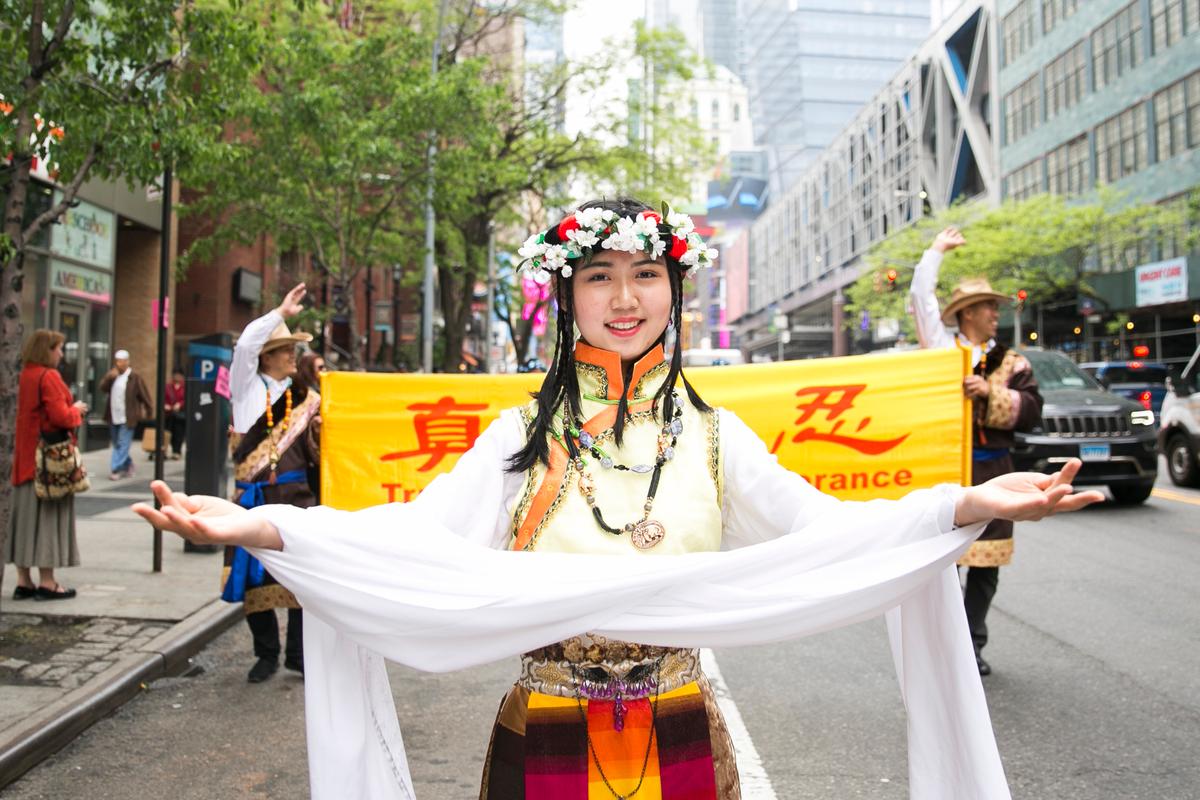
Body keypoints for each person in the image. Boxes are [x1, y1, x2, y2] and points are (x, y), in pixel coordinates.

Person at [137, 199, 1100, 800]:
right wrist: (265, 525)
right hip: (544, 727)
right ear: (572, 298)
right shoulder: (522, 435)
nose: (626, 297)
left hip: (682, 721)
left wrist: (967, 503)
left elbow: (832, 532)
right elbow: (409, 535)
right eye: (601, 277)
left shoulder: (715, 434)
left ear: (673, 292)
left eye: (646, 275)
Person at [909, 226, 1045, 677]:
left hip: (995, 470)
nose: (994, 314)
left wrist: (989, 393)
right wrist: (935, 252)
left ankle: (972, 644)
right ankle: (941, 645)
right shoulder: (942, 351)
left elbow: (1031, 411)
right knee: (942, 565)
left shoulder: (1011, 361)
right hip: (949, 472)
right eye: (988, 306)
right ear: (966, 314)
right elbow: (921, 299)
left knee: (987, 566)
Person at [225, 284, 321, 683]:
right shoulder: (246, 390)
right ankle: (266, 652)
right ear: (267, 357)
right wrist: (280, 312)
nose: (292, 355)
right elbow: (245, 345)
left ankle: (298, 655)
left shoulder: (307, 397)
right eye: (285, 350)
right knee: (254, 574)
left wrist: (318, 431)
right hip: (256, 495)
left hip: (297, 495)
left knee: (301, 575)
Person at [7, 330, 88, 600]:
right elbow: (60, 417)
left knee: (24, 521)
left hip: (22, 462)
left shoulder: (21, 375)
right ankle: (48, 582)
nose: (61, 354)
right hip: (48, 465)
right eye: (59, 349)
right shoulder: (48, 376)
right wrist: (77, 409)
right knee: (48, 521)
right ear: (47, 350)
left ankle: (23, 581)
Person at [100, 349, 153, 481]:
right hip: (113, 415)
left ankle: (116, 468)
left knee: (123, 443)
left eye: (123, 361)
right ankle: (128, 464)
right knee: (117, 443)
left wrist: (149, 410)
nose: (120, 364)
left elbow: (144, 395)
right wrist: (109, 377)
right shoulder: (113, 376)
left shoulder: (134, 377)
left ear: (128, 362)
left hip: (128, 416)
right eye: (118, 361)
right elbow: (102, 388)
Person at [164, 368, 187, 460]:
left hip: (180, 414)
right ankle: (164, 450)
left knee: (179, 433)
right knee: (167, 432)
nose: (177, 377)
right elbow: (163, 397)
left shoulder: (185, 387)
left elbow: (187, 399)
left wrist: (180, 404)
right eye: (175, 375)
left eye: (179, 375)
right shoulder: (168, 386)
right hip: (168, 413)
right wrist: (165, 405)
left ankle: (176, 451)